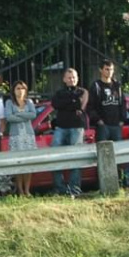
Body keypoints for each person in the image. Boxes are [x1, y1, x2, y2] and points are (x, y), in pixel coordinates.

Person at [51, 68, 88, 196]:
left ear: (77, 78)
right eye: (69, 77)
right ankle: (59, 188)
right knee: (55, 157)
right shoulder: (59, 92)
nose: (71, 79)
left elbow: (79, 104)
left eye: (74, 77)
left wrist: (67, 103)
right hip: (61, 127)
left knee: (76, 157)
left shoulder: (83, 91)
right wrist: (71, 101)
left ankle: (74, 188)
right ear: (64, 79)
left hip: (77, 127)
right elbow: (55, 104)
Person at [4, 81, 37, 196]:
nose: (20, 90)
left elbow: (33, 115)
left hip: (28, 136)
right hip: (16, 137)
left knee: (28, 164)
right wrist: (24, 116)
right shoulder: (9, 102)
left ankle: (27, 190)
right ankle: (20, 190)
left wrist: (17, 114)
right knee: (18, 163)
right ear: (14, 90)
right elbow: (8, 117)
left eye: (22, 88)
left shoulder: (29, 102)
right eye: (18, 88)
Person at [88, 59, 126, 143]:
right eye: (107, 69)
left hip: (116, 125)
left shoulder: (117, 86)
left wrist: (122, 120)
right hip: (103, 125)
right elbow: (90, 106)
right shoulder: (96, 86)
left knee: (118, 149)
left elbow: (123, 103)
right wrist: (98, 120)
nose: (109, 72)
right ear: (101, 70)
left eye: (111, 69)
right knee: (103, 150)